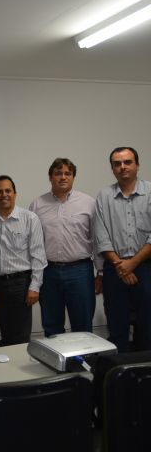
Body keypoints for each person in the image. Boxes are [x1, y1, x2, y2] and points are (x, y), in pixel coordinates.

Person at [29, 158, 100, 337]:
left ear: (73, 177)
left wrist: (101, 273)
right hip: (49, 272)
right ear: (50, 177)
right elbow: (33, 244)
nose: (63, 177)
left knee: (82, 325)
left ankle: (84, 364)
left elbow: (97, 239)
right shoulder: (37, 204)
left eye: (67, 173)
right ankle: (56, 364)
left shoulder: (88, 203)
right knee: (52, 326)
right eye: (58, 173)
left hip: (80, 271)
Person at [94, 147, 151, 352]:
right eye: (117, 164)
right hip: (114, 268)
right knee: (117, 327)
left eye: (127, 162)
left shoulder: (150, 192)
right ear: (112, 168)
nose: (122, 167)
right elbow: (101, 237)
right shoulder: (104, 196)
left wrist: (132, 264)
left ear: (137, 165)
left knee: (147, 326)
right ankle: (121, 378)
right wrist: (121, 266)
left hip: (146, 267)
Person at [0, 175, 47, 346]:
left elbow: (38, 255)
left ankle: (20, 369)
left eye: (8, 190)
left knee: (21, 336)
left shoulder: (30, 219)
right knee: (6, 335)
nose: (4, 194)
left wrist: (34, 287)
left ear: (15, 193)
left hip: (21, 284)